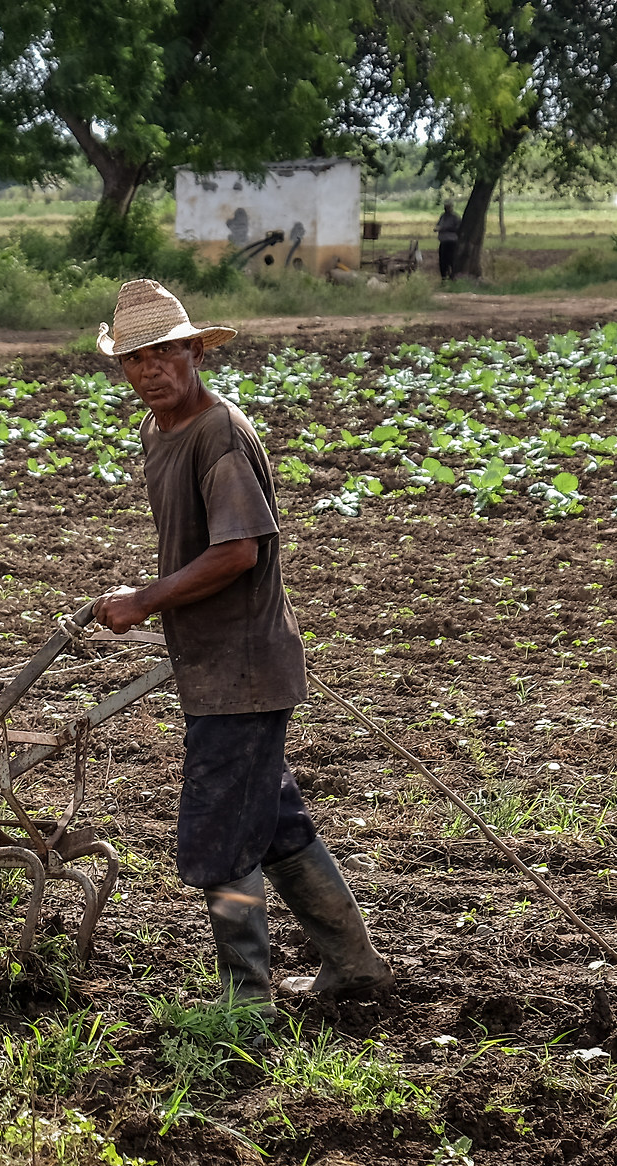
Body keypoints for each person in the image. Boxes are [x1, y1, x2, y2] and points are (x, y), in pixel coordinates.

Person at [91, 278, 394, 1006]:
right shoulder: (161, 432)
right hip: (216, 665)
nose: (149, 369)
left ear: (196, 350)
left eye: (164, 352)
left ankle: (245, 997)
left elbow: (237, 554)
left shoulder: (218, 434)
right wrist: (152, 598)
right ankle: (354, 965)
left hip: (243, 669)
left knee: (222, 832)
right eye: (134, 358)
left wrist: (144, 600)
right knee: (275, 823)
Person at [435, 199, 461, 281]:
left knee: (451, 260)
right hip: (443, 241)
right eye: (445, 207)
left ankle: (452, 277)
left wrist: (444, 228)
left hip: (451, 241)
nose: (446, 208)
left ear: (451, 207)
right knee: (442, 261)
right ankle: (443, 278)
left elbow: (458, 229)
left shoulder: (455, 217)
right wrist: (437, 228)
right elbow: (439, 224)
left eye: (448, 207)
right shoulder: (443, 216)